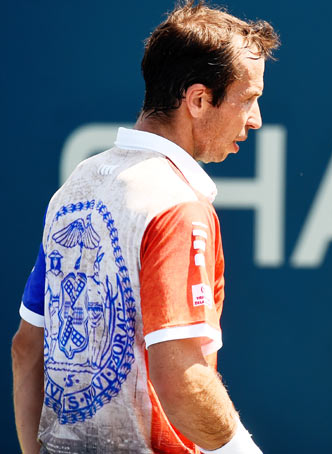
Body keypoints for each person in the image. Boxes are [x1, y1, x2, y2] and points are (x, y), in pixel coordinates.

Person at [11, 2, 279, 453]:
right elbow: (182, 380)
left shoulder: (75, 188)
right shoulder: (176, 205)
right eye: (248, 99)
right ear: (198, 100)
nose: (255, 120)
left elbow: (26, 349)